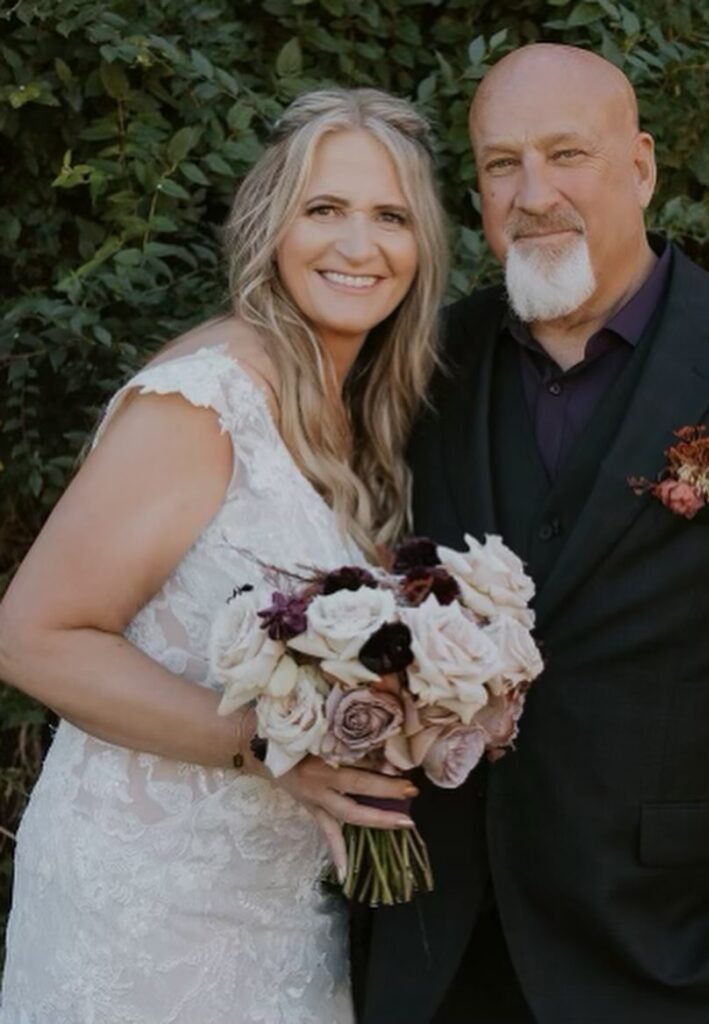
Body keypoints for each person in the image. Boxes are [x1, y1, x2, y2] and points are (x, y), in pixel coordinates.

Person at [358, 44, 709, 1024]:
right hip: (441, 955)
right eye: (500, 164)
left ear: (642, 166)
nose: (533, 194)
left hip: (685, 956)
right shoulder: (419, 366)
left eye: (566, 154)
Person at [0, 86, 448, 1023]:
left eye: (390, 216)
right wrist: (267, 747)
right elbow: (32, 635)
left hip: (283, 900)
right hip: (152, 899)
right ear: (272, 225)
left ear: (424, 247)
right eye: (324, 209)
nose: (358, 246)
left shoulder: (363, 418)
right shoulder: (206, 399)